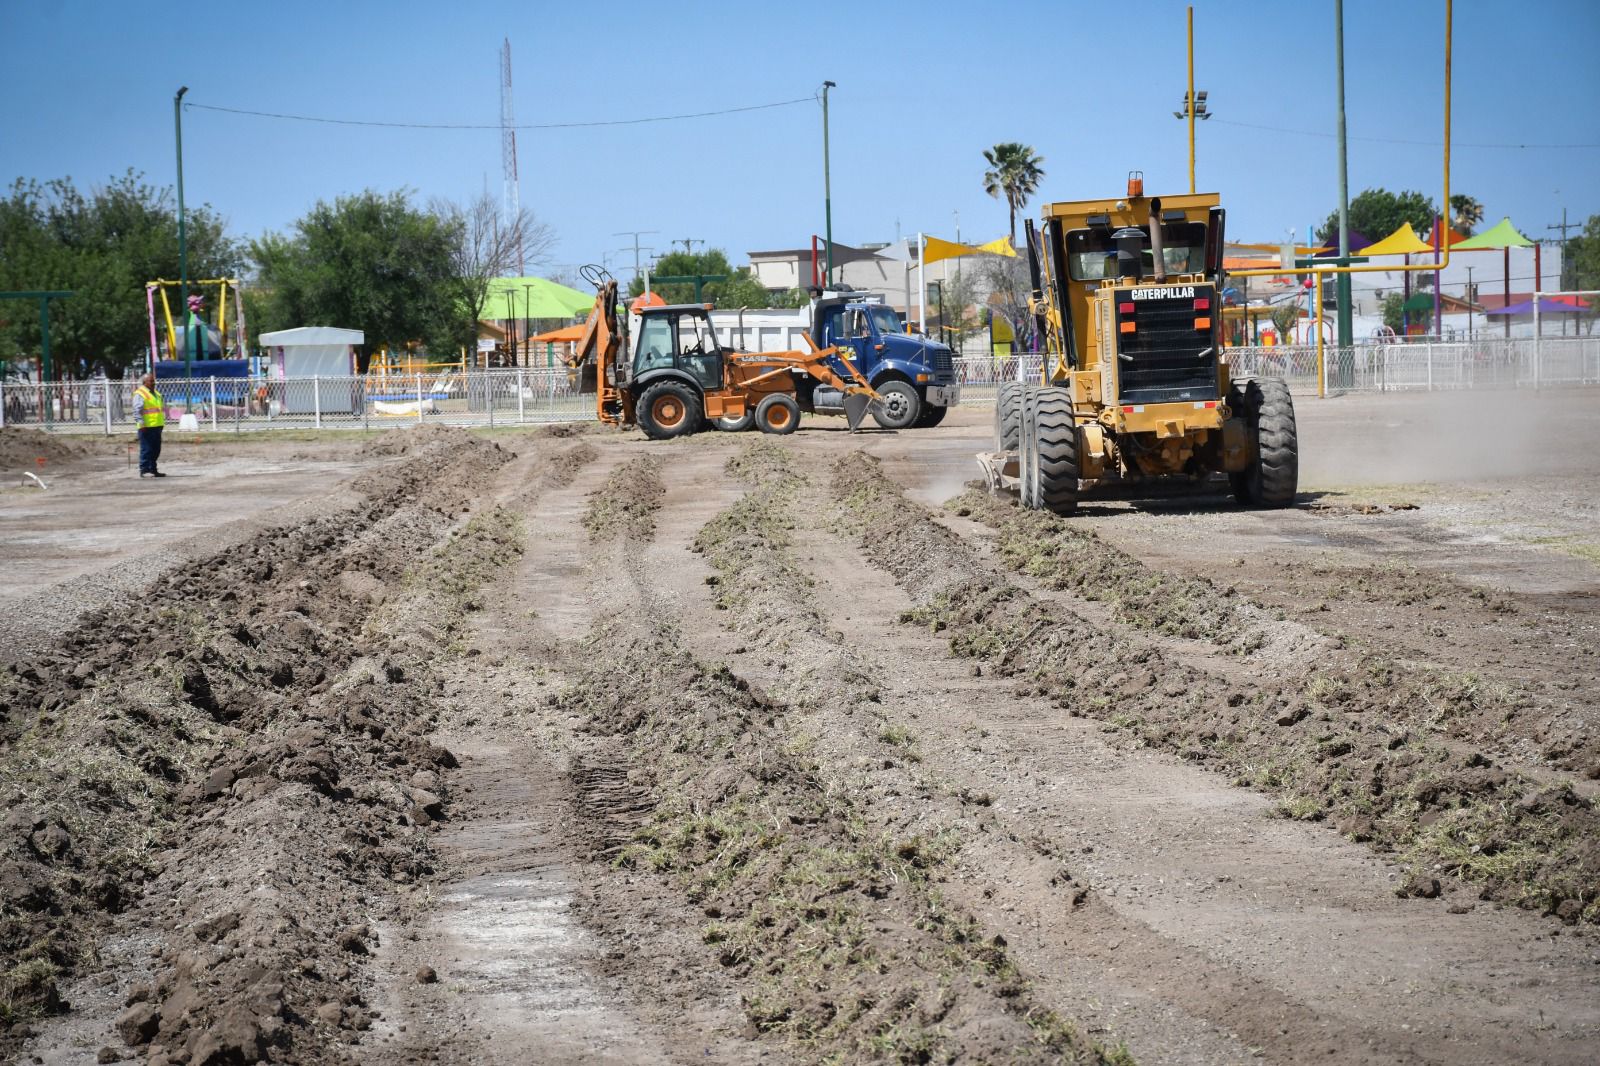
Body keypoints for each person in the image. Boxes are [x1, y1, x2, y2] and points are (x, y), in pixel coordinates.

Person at [132, 372, 166, 478]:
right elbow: (137, 410)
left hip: (157, 425)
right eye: (150, 381)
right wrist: (141, 423)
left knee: (156, 449)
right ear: (144, 382)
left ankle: (153, 469)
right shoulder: (140, 394)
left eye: (153, 380)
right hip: (146, 426)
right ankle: (144, 469)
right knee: (146, 449)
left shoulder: (156, 393)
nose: (153, 383)